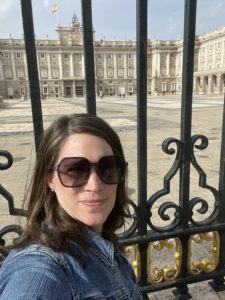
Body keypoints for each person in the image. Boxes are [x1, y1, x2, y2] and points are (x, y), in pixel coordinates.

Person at [0, 113, 142, 299]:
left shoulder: (101, 244)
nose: (95, 185)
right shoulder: (40, 268)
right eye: (75, 169)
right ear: (50, 179)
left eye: (107, 167)